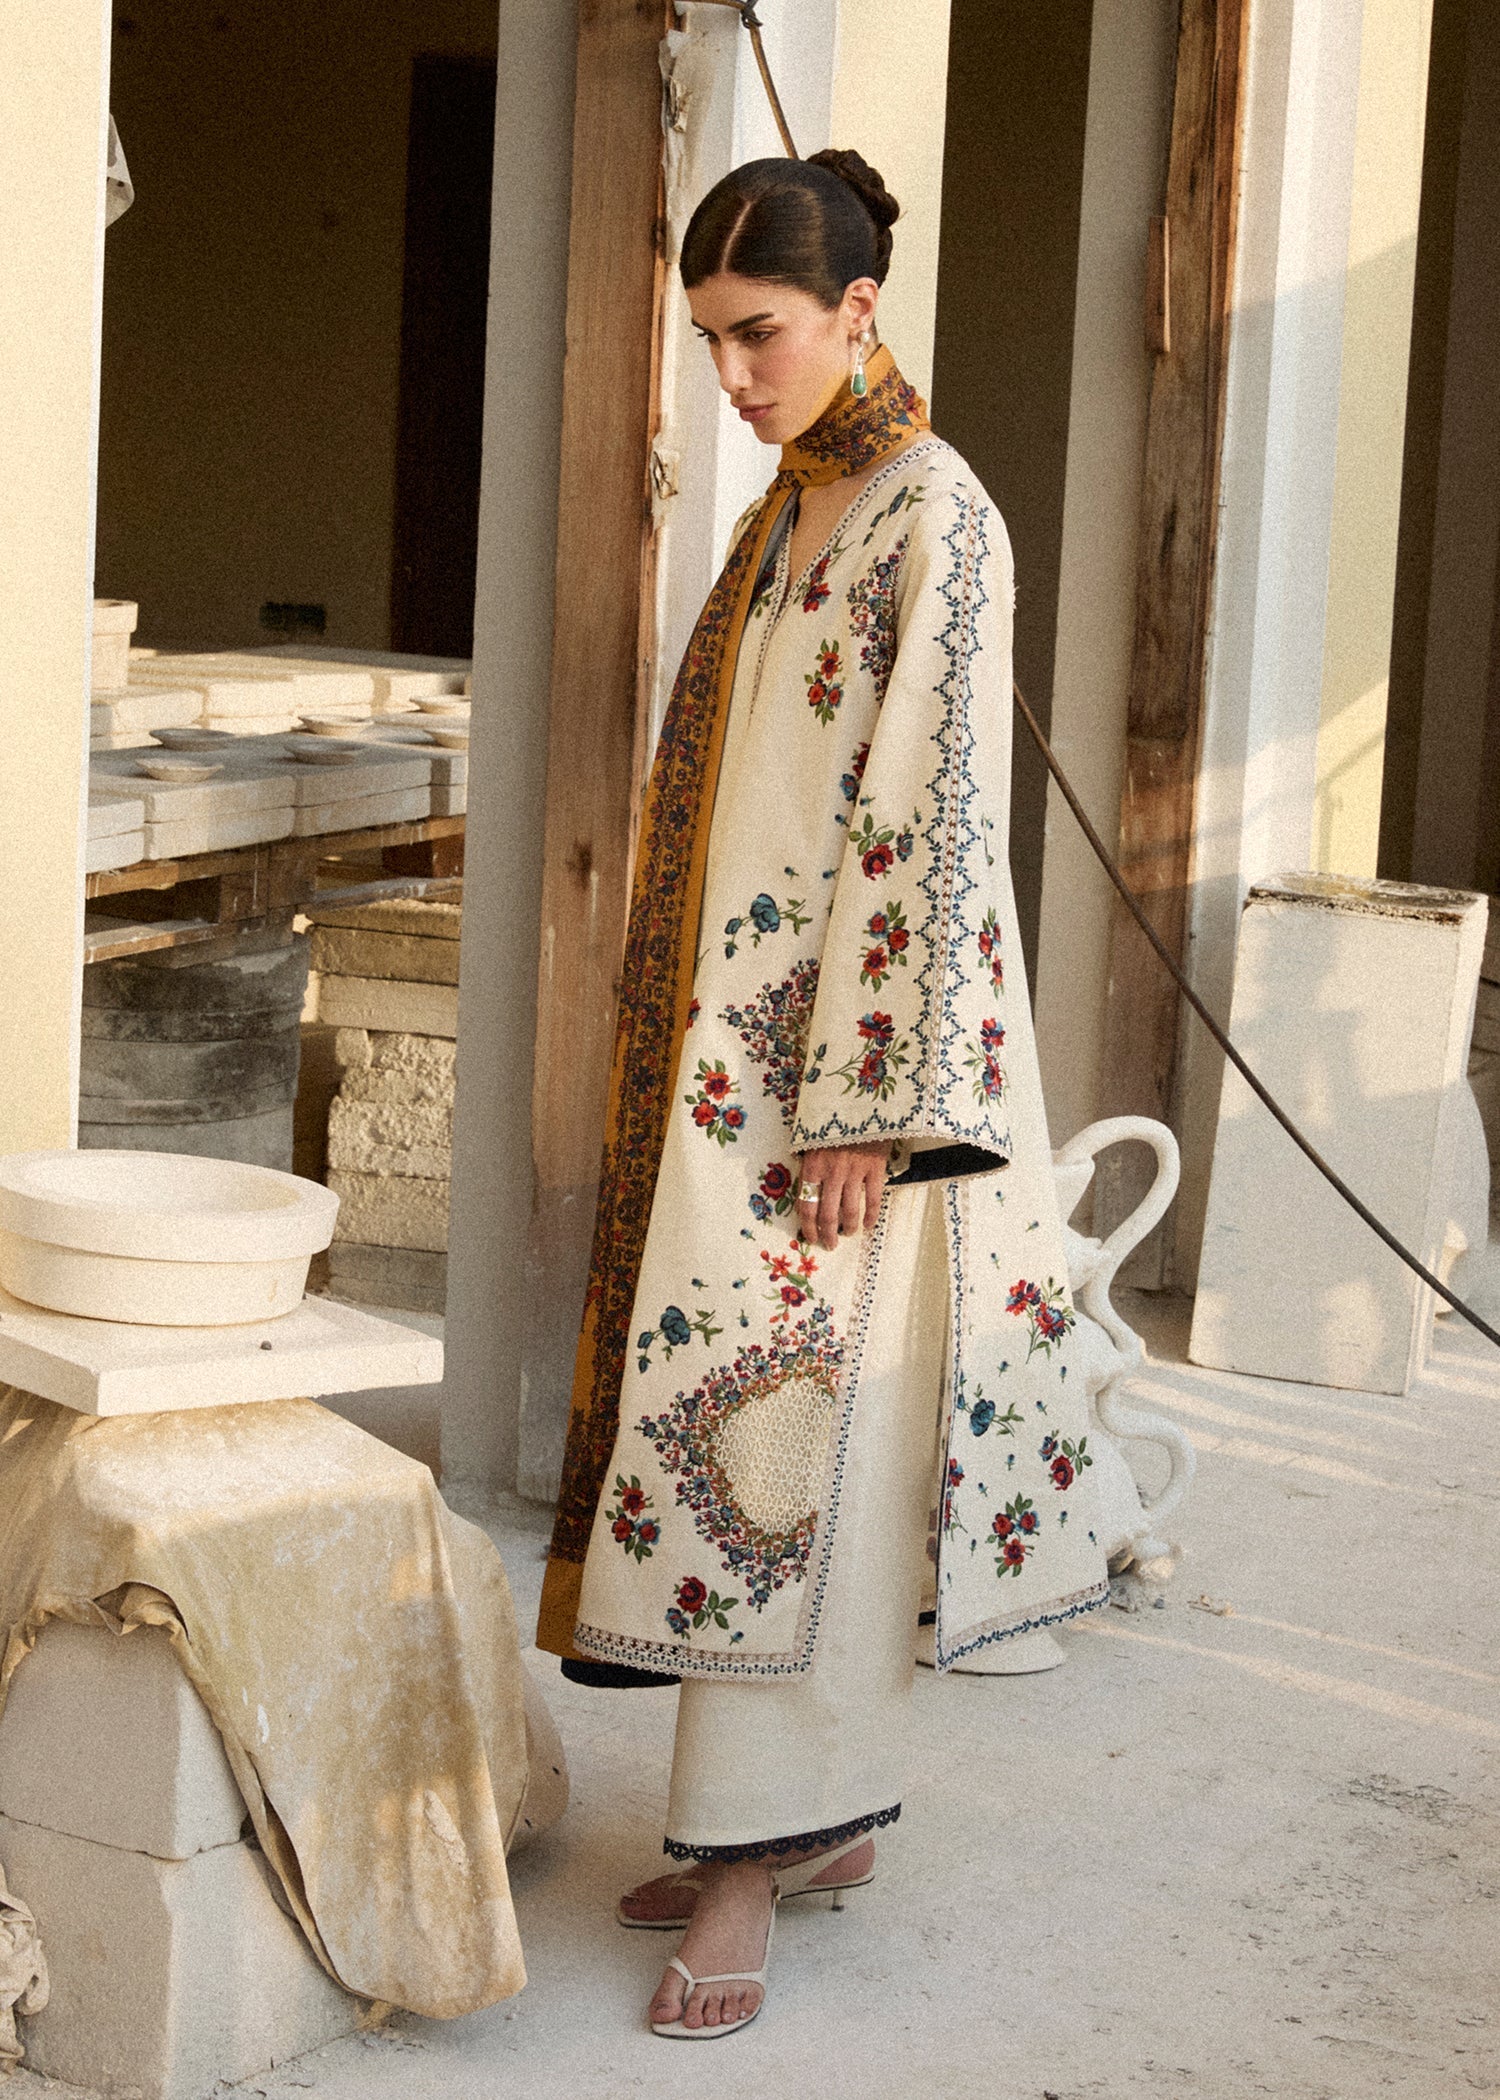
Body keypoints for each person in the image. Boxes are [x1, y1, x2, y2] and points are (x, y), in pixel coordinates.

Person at [536, 149, 1109, 2038]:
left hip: (839, 1086)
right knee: (747, 1438)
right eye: (708, 338)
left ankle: (744, 1868)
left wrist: (868, 1098)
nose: (731, 373)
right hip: (731, 1064)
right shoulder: (794, 505)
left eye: (760, 333)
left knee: (785, 1455)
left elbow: (932, 817)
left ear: (859, 310)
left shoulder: (937, 514)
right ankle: (813, 1822)